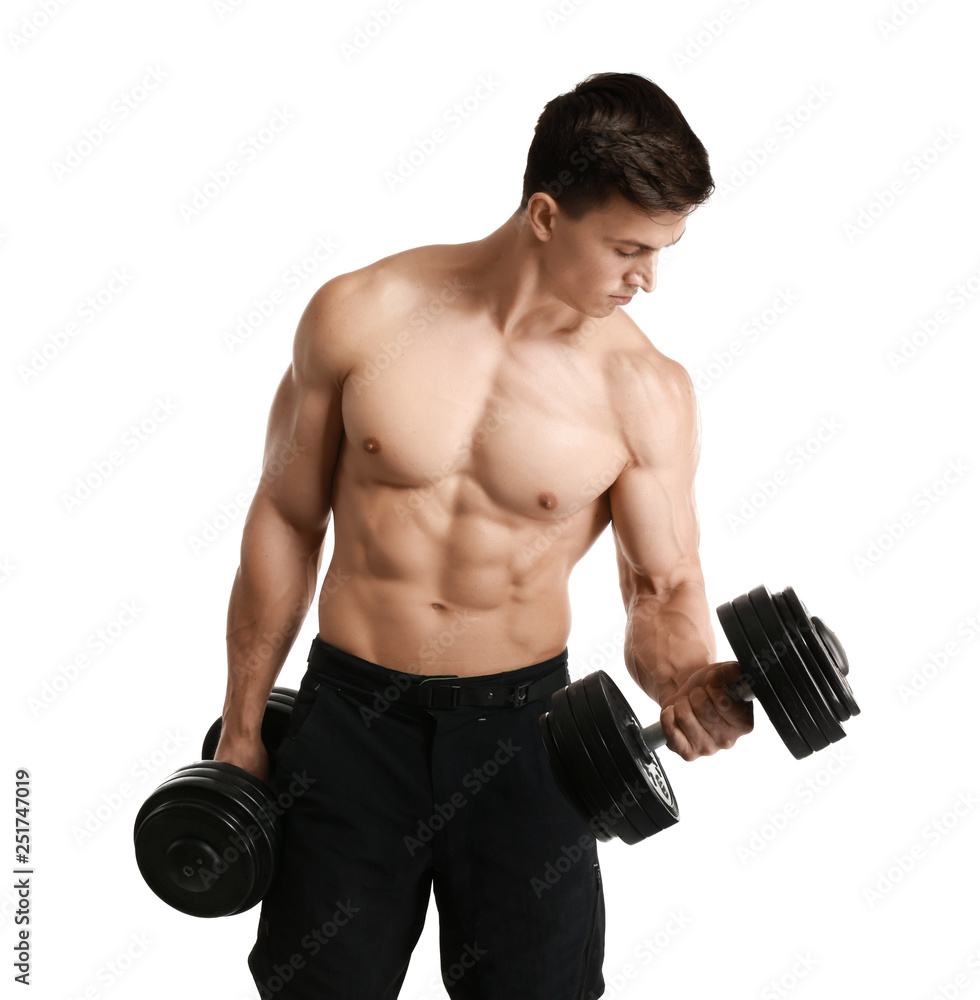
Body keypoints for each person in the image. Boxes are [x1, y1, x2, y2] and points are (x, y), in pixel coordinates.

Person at [213, 70, 753, 1000]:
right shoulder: (361, 313)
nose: (648, 279)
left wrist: (687, 686)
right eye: (628, 248)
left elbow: (662, 589)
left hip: (528, 741)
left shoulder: (645, 392)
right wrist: (245, 723)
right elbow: (287, 518)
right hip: (351, 726)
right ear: (545, 215)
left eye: (663, 251)